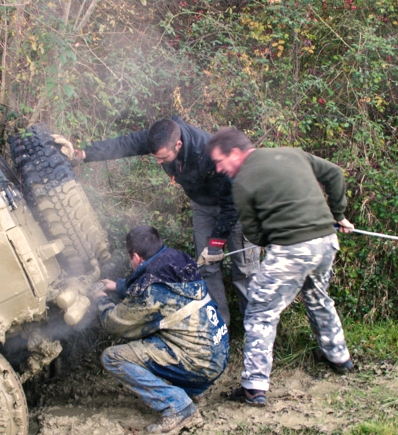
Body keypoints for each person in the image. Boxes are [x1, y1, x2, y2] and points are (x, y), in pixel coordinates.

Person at [205, 128, 355, 407]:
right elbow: (334, 173)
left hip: (290, 249)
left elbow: (255, 234)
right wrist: (338, 216)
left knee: (261, 311)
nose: (218, 168)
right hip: (325, 243)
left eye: (219, 161)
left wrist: (276, 236)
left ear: (235, 153)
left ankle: (254, 386)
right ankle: (338, 356)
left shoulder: (241, 183)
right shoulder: (292, 153)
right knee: (317, 297)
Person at [69, 117, 259, 325]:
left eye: (162, 158)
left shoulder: (207, 151)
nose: (159, 162)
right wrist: (85, 154)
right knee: (207, 266)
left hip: (235, 205)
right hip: (203, 207)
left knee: (244, 269)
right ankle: (220, 325)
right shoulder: (161, 135)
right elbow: (125, 144)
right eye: (156, 158)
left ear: (178, 145)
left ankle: (253, 324)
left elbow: (231, 205)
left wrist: (216, 244)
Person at [93, 225, 230, 434]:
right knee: (166, 330)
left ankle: (179, 407)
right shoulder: (176, 259)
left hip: (199, 362)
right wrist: (117, 286)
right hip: (218, 351)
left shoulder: (152, 289)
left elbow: (115, 323)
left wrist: (101, 299)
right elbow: (154, 289)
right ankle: (193, 389)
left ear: (136, 257)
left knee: (113, 357)